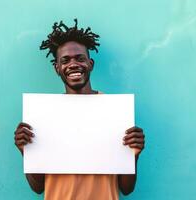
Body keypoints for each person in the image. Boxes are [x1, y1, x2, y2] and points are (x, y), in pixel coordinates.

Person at [14, 19, 145, 200]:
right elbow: (38, 188)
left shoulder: (115, 114)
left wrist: (134, 155)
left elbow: (126, 189)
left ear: (90, 64)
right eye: (65, 60)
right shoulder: (44, 115)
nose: (73, 64)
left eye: (80, 58)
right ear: (57, 68)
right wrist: (26, 151)